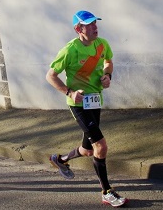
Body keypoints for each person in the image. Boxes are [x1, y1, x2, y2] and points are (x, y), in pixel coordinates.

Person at [46, 10, 127, 208]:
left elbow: (108, 62)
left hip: (95, 100)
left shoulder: (102, 44)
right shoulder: (70, 50)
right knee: (101, 146)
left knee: (88, 149)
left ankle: (60, 159)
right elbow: (50, 76)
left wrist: (108, 76)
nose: (94, 27)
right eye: (89, 24)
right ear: (78, 29)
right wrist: (69, 92)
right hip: (79, 104)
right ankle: (107, 192)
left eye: (95, 23)